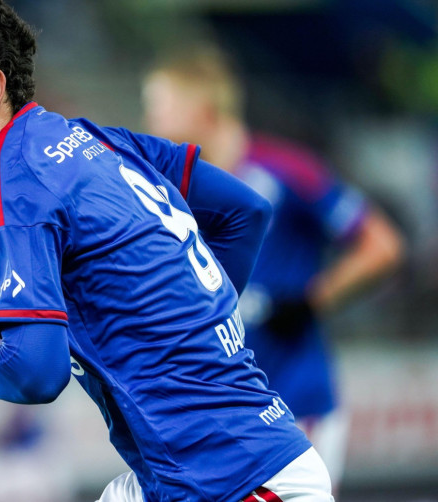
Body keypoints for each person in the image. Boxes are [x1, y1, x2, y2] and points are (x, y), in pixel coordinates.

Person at [0, 0, 332, 501]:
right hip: (206, 471)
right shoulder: (98, 140)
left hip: (234, 481)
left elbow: (37, 372)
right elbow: (243, 212)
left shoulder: (7, 179)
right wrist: (191, 321)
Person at [142, 45, 405, 496]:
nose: (150, 123)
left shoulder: (287, 171)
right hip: (217, 417)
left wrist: (310, 302)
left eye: (159, 108)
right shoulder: (163, 189)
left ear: (202, 111)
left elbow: (381, 245)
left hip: (295, 409)